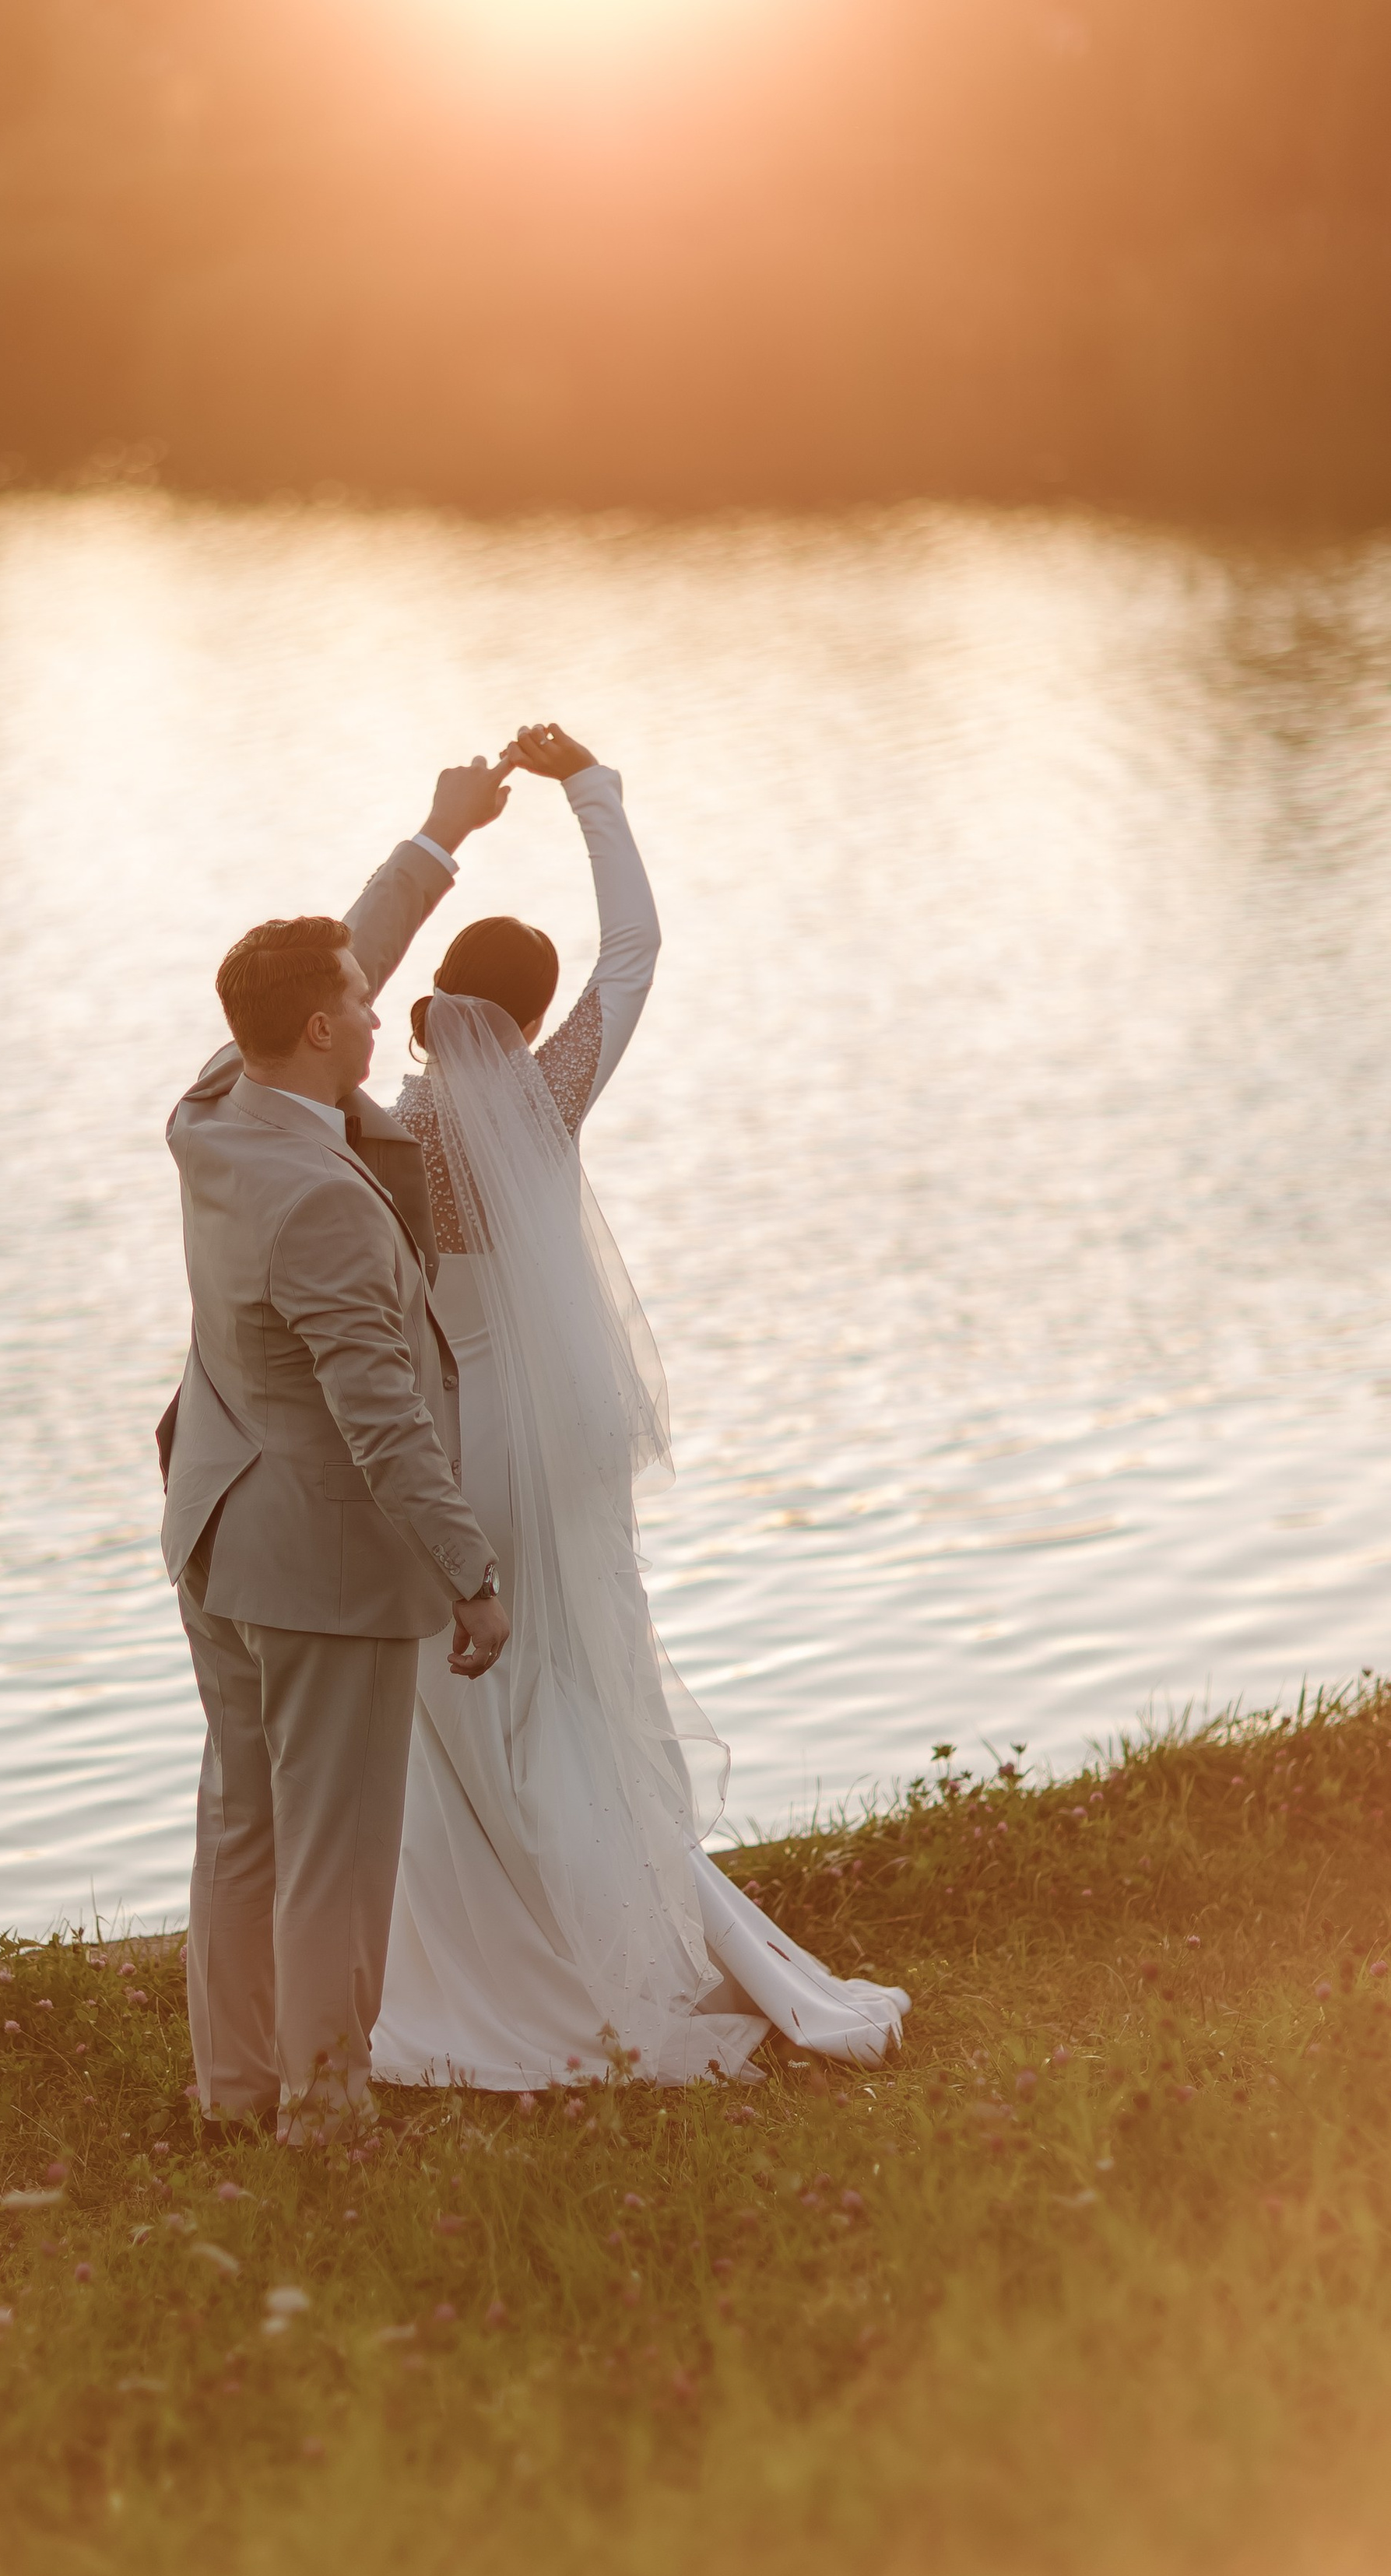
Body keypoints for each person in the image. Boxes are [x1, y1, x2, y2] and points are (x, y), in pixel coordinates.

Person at [371, 722, 910, 2089]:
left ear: (439, 997)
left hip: (468, 1432)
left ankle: (505, 1947)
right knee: (576, 1683)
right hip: (572, 1436)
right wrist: (590, 795)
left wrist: (451, 828)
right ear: (536, 1014)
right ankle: (624, 1927)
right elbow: (636, 954)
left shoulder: (384, 1126)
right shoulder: (550, 1096)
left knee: (464, 1688)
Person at [159, 754, 515, 2142]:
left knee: (242, 1825)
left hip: (216, 1528)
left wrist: (439, 835)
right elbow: (383, 1423)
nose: (381, 1008)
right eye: (361, 1004)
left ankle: (232, 2090)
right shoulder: (319, 1201)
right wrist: (470, 1573)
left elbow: (346, 947)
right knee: (335, 1848)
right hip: (316, 1560)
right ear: (319, 1030)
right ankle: (323, 2102)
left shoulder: (215, 1107)